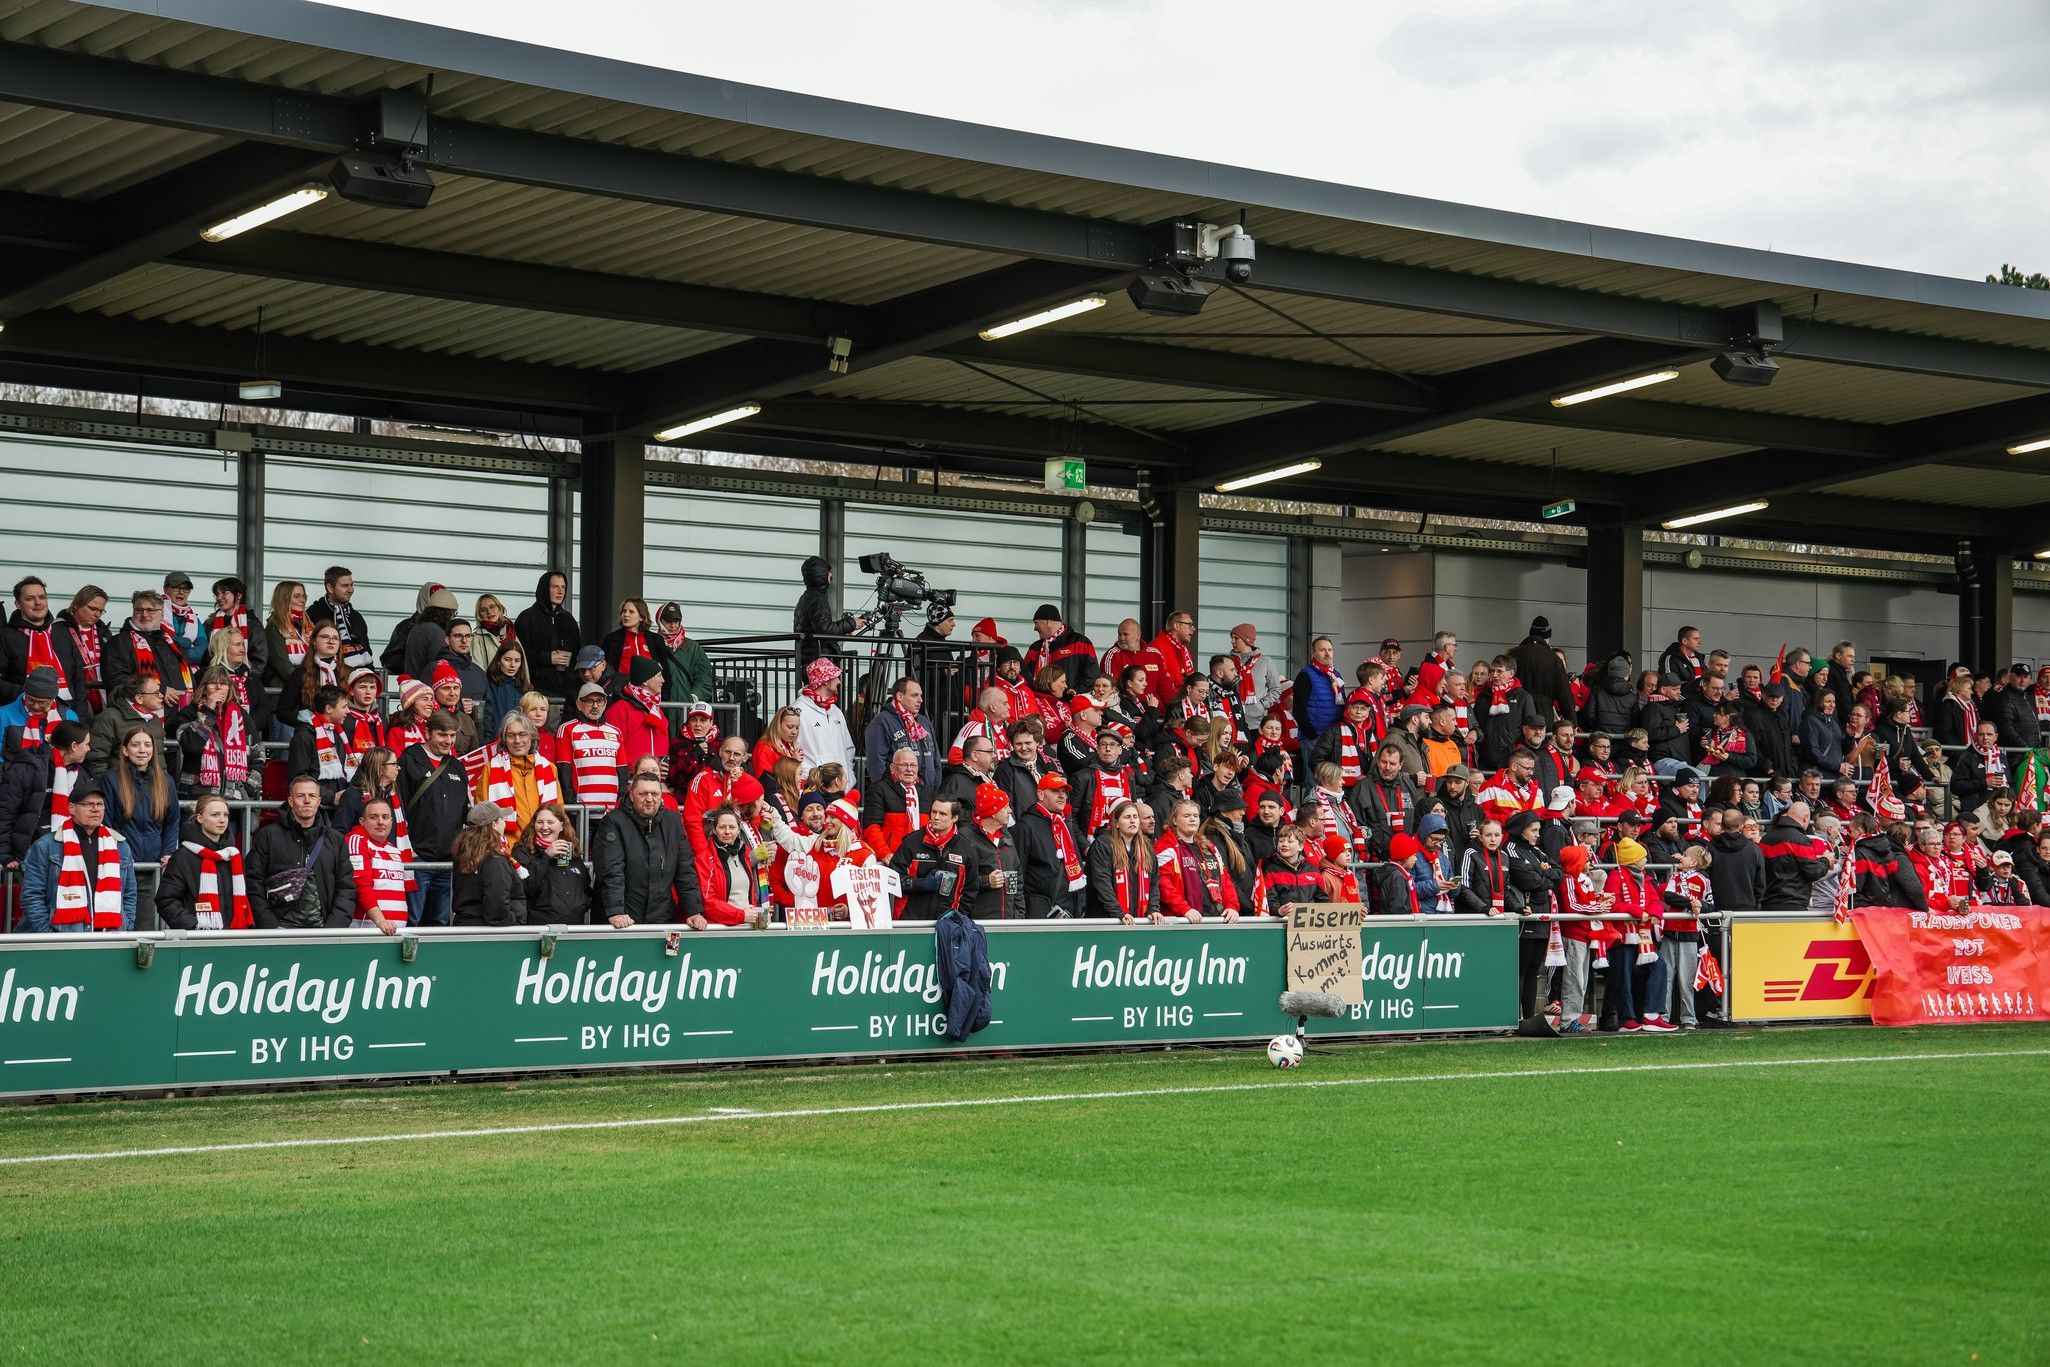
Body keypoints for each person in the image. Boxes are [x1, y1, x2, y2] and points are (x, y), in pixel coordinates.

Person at [594, 772, 706, 928]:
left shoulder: (673, 821)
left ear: (661, 796)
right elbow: (611, 870)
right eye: (643, 794)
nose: (649, 799)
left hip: (662, 917)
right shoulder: (613, 821)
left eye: (654, 794)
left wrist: (694, 911)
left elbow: (685, 871)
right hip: (623, 918)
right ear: (631, 795)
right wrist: (616, 911)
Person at [18, 785, 134, 933]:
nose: (95, 809)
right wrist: (49, 935)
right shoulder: (46, 846)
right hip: (62, 937)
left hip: (109, 936)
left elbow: (130, 894)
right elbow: (32, 896)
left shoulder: (120, 846)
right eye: (88, 804)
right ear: (71, 808)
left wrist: (126, 926)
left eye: (99, 804)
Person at [246, 776, 356, 929]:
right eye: (300, 796)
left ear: (319, 801)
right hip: (279, 931)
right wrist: (271, 926)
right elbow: (253, 883)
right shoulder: (267, 836)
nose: (307, 800)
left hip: (324, 931)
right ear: (291, 801)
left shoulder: (336, 839)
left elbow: (346, 887)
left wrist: (333, 928)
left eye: (312, 796)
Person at [397, 712, 469, 926]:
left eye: (452, 735)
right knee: (412, 920)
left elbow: (464, 812)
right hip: (417, 858)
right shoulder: (409, 759)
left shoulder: (457, 766)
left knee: (441, 922)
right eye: (442, 735)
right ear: (428, 733)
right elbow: (398, 807)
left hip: (449, 861)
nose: (448, 741)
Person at [154, 793, 253, 930]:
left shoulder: (233, 855)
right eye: (215, 815)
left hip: (234, 934)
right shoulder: (183, 855)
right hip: (197, 937)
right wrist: (195, 925)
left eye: (225, 815)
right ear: (200, 818)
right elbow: (166, 900)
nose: (222, 820)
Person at [98, 725, 179, 880]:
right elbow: (106, 823)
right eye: (135, 745)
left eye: (147, 745)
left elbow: (172, 821)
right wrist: (120, 853)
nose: (142, 750)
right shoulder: (110, 779)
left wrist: (168, 852)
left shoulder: (166, 781)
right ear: (125, 750)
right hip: (121, 865)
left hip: (156, 867)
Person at [2, 576, 89, 716]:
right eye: (30, 599)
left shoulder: (63, 632)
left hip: (65, 714)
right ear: (18, 604)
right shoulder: (5, 636)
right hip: (21, 714)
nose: (38, 603)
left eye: (42, 597)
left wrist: (81, 716)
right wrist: (30, 693)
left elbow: (78, 677)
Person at [474, 713, 561, 840]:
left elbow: (558, 811)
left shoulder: (550, 768)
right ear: (504, 739)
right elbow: (483, 814)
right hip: (506, 846)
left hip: (543, 845)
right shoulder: (490, 769)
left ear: (531, 737)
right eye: (511, 735)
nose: (517, 740)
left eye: (522, 734)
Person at [103, 589, 195, 709]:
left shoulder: (174, 646)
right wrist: (159, 690)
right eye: (139, 610)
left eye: (150, 610)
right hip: (140, 716)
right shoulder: (119, 643)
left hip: (181, 714)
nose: (144, 614)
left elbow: (192, 682)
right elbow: (116, 680)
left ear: (162, 614)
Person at [889, 794, 974, 920]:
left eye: (943, 814)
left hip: (949, 923)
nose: (936, 817)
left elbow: (970, 890)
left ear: (955, 818)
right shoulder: (911, 842)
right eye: (934, 812)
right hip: (910, 921)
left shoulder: (966, 848)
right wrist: (922, 884)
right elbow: (891, 880)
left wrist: (959, 917)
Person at [1016, 772, 1085, 918]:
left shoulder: (1063, 823)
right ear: (1041, 794)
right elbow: (1018, 872)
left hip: (1071, 910)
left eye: (1064, 792)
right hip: (1041, 914)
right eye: (1055, 791)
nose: (1062, 796)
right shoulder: (1026, 825)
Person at [515, 803, 595, 925]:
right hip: (538, 927)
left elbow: (585, 885)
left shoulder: (570, 849)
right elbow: (525, 887)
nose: (544, 827)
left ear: (562, 825)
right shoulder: (522, 851)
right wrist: (546, 856)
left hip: (573, 927)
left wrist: (581, 904)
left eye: (550, 822)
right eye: (540, 822)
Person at [345, 796, 412, 936]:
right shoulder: (356, 841)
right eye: (373, 817)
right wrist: (381, 921)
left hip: (395, 932)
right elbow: (361, 886)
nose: (380, 822)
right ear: (362, 822)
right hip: (367, 932)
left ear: (392, 821)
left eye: (385, 817)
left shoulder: (394, 849)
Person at [864, 675, 940, 791]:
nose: (920, 700)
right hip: (896, 793)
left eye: (920, 695)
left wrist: (935, 788)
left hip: (926, 793)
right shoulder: (881, 722)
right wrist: (886, 792)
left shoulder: (924, 722)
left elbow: (936, 759)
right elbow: (876, 765)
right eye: (914, 695)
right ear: (899, 696)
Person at [558, 683, 625, 814]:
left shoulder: (616, 732)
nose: (595, 706)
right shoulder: (567, 729)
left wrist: (619, 803)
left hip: (611, 812)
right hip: (581, 812)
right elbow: (563, 769)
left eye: (599, 701)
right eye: (589, 701)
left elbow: (622, 771)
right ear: (579, 704)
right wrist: (572, 805)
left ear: (605, 704)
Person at [514, 569, 580, 702]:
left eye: (563, 587)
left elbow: (577, 654)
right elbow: (518, 653)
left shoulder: (569, 620)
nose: (560, 592)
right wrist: (548, 658)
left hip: (566, 692)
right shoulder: (526, 618)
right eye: (555, 587)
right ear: (544, 588)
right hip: (534, 690)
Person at [1088, 798, 1158, 922]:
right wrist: (1118, 912)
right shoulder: (1102, 845)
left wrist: (1153, 909)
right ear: (1116, 823)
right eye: (1127, 817)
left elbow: (1154, 883)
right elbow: (1102, 882)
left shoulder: (1146, 847)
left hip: (1138, 919)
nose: (1132, 821)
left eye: (1135, 817)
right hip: (1109, 920)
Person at [961, 783, 1022, 920]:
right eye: (1005, 807)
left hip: (1009, 921)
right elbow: (956, 880)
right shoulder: (965, 837)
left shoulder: (1006, 836)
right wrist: (986, 881)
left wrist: (1019, 916)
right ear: (993, 813)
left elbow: (1018, 879)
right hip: (978, 922)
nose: (1010, 811)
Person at [860, 747, 933, 860]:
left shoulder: (927, 792)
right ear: (892, 768)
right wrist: (884, 853)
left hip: (921, 858)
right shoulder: (879, 789)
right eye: (904, 765)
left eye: (913, 765)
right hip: (891, 857)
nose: (909, 769)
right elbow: (871, 826)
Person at [794, 555, 866, 670]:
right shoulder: (817, 599)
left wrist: (844, 630)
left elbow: (817, 628)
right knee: (833, 683)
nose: (831, 575)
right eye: (829, 573)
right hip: (819, 663)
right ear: (823, 576)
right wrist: (851, 623)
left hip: (809, 661)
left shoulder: (805, 597)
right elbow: (824, 629)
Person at [605, 656, 671, 782]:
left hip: (655, 781)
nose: (663, 680)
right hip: (629, 781)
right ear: (645, 681)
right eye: (658, 676)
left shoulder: (656, 710)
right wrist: (632, 771)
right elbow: (612, 750)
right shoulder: (619, 710)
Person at [796, 656, 857, 784]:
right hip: (815, 787)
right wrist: (810, 777)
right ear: (824, 681)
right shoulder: (798, 711)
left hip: (841, 787)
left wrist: (848, 775)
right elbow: (793, 750)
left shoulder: (836, 711)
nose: (839, 681)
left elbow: (849, 748)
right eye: (836, 677)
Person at [1022, 603, 1097, 695]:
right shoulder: (1034, 648)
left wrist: (1073, 694)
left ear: (1048, 622)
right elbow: (1025, 676)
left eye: (1036, 623)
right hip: (1040, 701)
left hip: (1072, 701)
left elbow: (1092, 675)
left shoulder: (1080, 643)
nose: (1034, 628)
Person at [306, 565, 373, 667]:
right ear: (330, 588)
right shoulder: (313, 614)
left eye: (351, 585)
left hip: (359, 673)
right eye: (345, 586)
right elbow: (308, 651)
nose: (350, 590)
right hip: (324, 672)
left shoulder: (356, 616)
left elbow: (367, 652)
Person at [654, 601, 714, 705]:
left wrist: (694, 697)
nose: (672, 625)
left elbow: (704, 678)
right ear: (660, 621)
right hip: (658, 706)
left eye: (676, 621)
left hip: (686, 707)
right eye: (668, 621)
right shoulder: (652, 644)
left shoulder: (693, 647)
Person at [263, 580, 311, 700]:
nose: (302, 600)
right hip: (282, 695)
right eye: (297, 596)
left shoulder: (308, 626)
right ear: (284, 599)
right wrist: (311, 685)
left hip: (305, 692)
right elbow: (284, 668)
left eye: (304, 596)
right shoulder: (274, 628)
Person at [471, 593, 519, 674]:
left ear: (500, 608)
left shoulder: (512, 634)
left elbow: (523, 667)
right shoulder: (477, 639)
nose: (489, 612)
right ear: (479, 615)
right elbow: (478, 671)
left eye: (492, 607)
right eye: (483, 610)